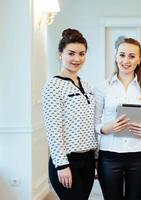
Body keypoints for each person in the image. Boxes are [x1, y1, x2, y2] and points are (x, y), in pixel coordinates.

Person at [94, 37, 141, 200]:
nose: (126, 60)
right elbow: (95, 123)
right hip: (109, 156)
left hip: (139, 156)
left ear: (139, 60)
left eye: (131, 56)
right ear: (116, 56)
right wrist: (107, 128)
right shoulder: (102, 87)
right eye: (122, 55)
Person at [42, 28, 98, 200]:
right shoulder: (53, 86)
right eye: (71, 53)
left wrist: (96, 159)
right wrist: (61, 165)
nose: (77, 59)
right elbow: (53, 129)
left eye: (82, 53)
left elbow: (91, 124)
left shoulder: (87, 85)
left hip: (88, 160)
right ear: (60, 54)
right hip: (67, 161)